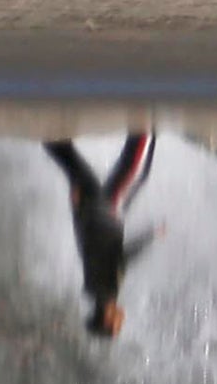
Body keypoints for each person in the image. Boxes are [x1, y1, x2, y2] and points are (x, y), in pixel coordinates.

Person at [41, 129, 155, 338]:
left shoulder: (104, 289)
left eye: (118, 326)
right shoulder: (99, 290)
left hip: (99, 210)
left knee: (133, 168)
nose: (122, 322)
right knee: (77, 162)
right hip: (100, 212)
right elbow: (94, 251)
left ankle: (144, 122)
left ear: (108, 320)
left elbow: (121, 255)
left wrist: (151, 236)